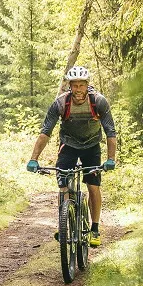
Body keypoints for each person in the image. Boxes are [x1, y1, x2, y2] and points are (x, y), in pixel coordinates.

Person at [26, 65, 118, 247]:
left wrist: (111, 159)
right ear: (70, 85)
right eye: (74, 85)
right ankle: (65, 224)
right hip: (68, 145)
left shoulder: (99, 101)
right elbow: (46, 132)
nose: (78, 89)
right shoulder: (60, 103)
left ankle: (95, 229)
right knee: (63, 183)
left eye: (81, 85)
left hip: (91, 146)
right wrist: (33, 159)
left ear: (87, 85)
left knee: (93, 186)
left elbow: (110, 132)